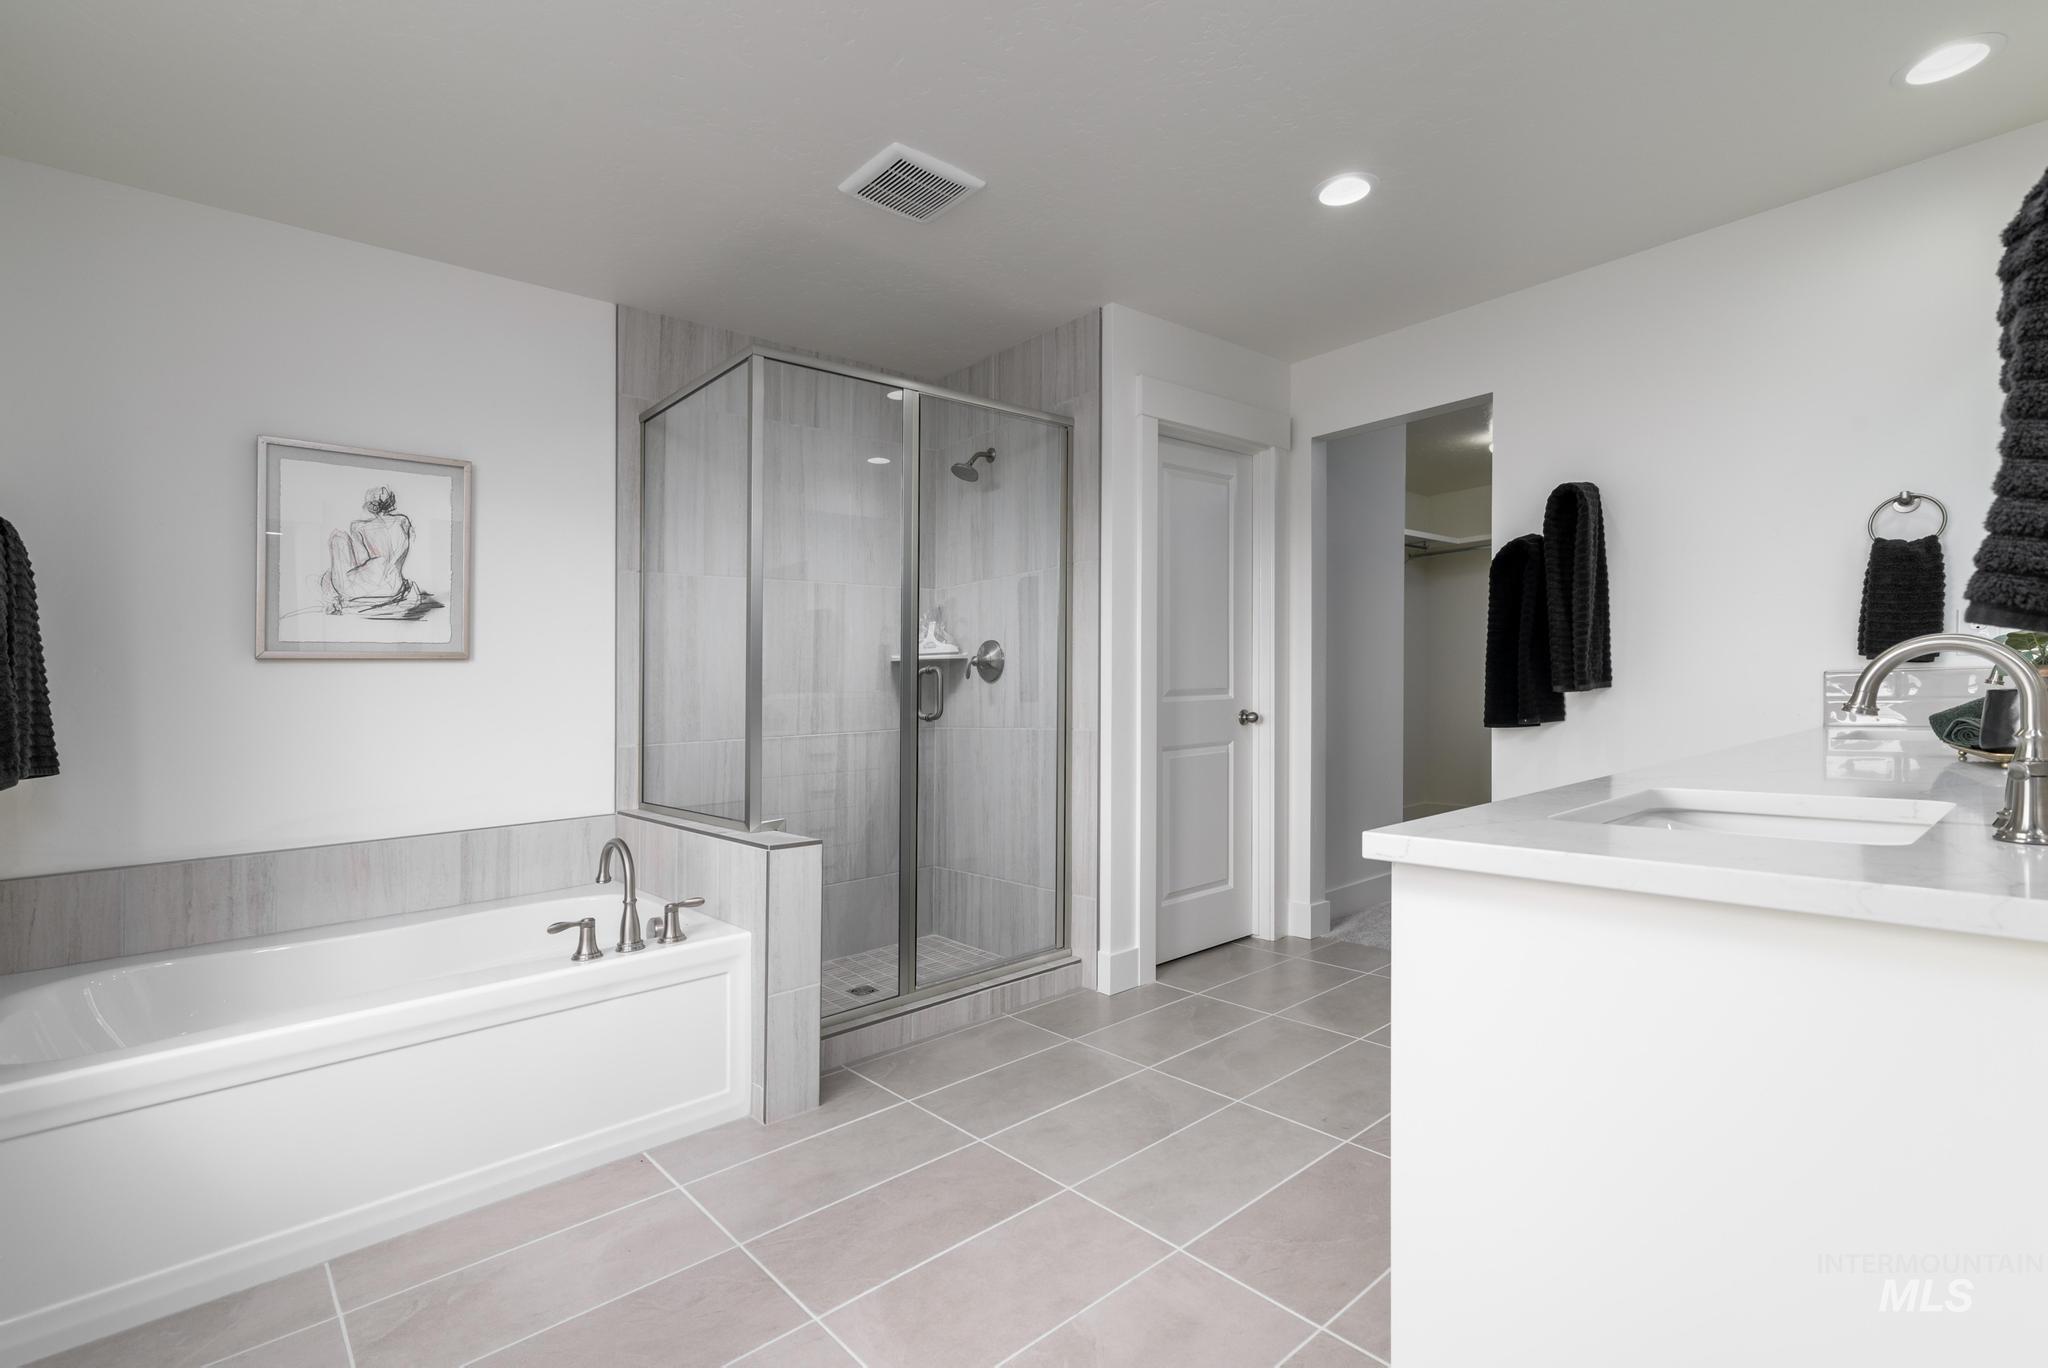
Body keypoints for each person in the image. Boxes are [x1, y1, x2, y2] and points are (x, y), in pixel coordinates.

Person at [319, 486, 434, 619]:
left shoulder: (358, 527)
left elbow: (360, 560)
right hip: (394, 586)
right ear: (391, 502)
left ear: (369, 505)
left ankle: (334, 599)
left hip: (365, 587)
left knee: (338, 538)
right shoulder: (403, 521)